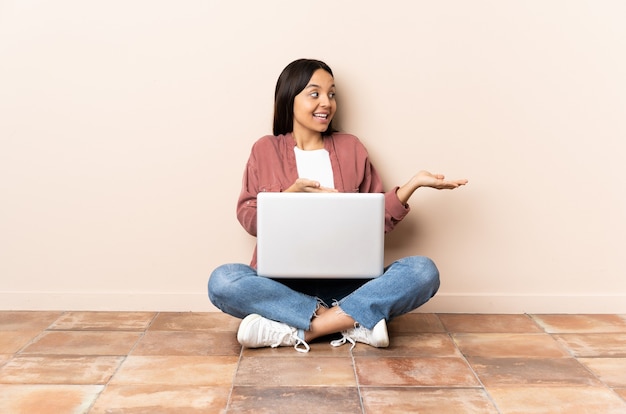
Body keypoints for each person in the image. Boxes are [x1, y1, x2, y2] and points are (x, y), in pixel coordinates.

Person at [208, 58, 467, 353]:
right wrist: (288, 197)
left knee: (423, 271)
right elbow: (248, 218)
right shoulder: (265, 149)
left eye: (332, 94)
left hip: (350, 284)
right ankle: (353, 322)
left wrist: (412, 186)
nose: (327, 103)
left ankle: (297, 330)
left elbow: (375, 221)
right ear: (289, 99)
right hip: (282, 286)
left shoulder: (351, 148)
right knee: (223, 281)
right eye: (314, 93)